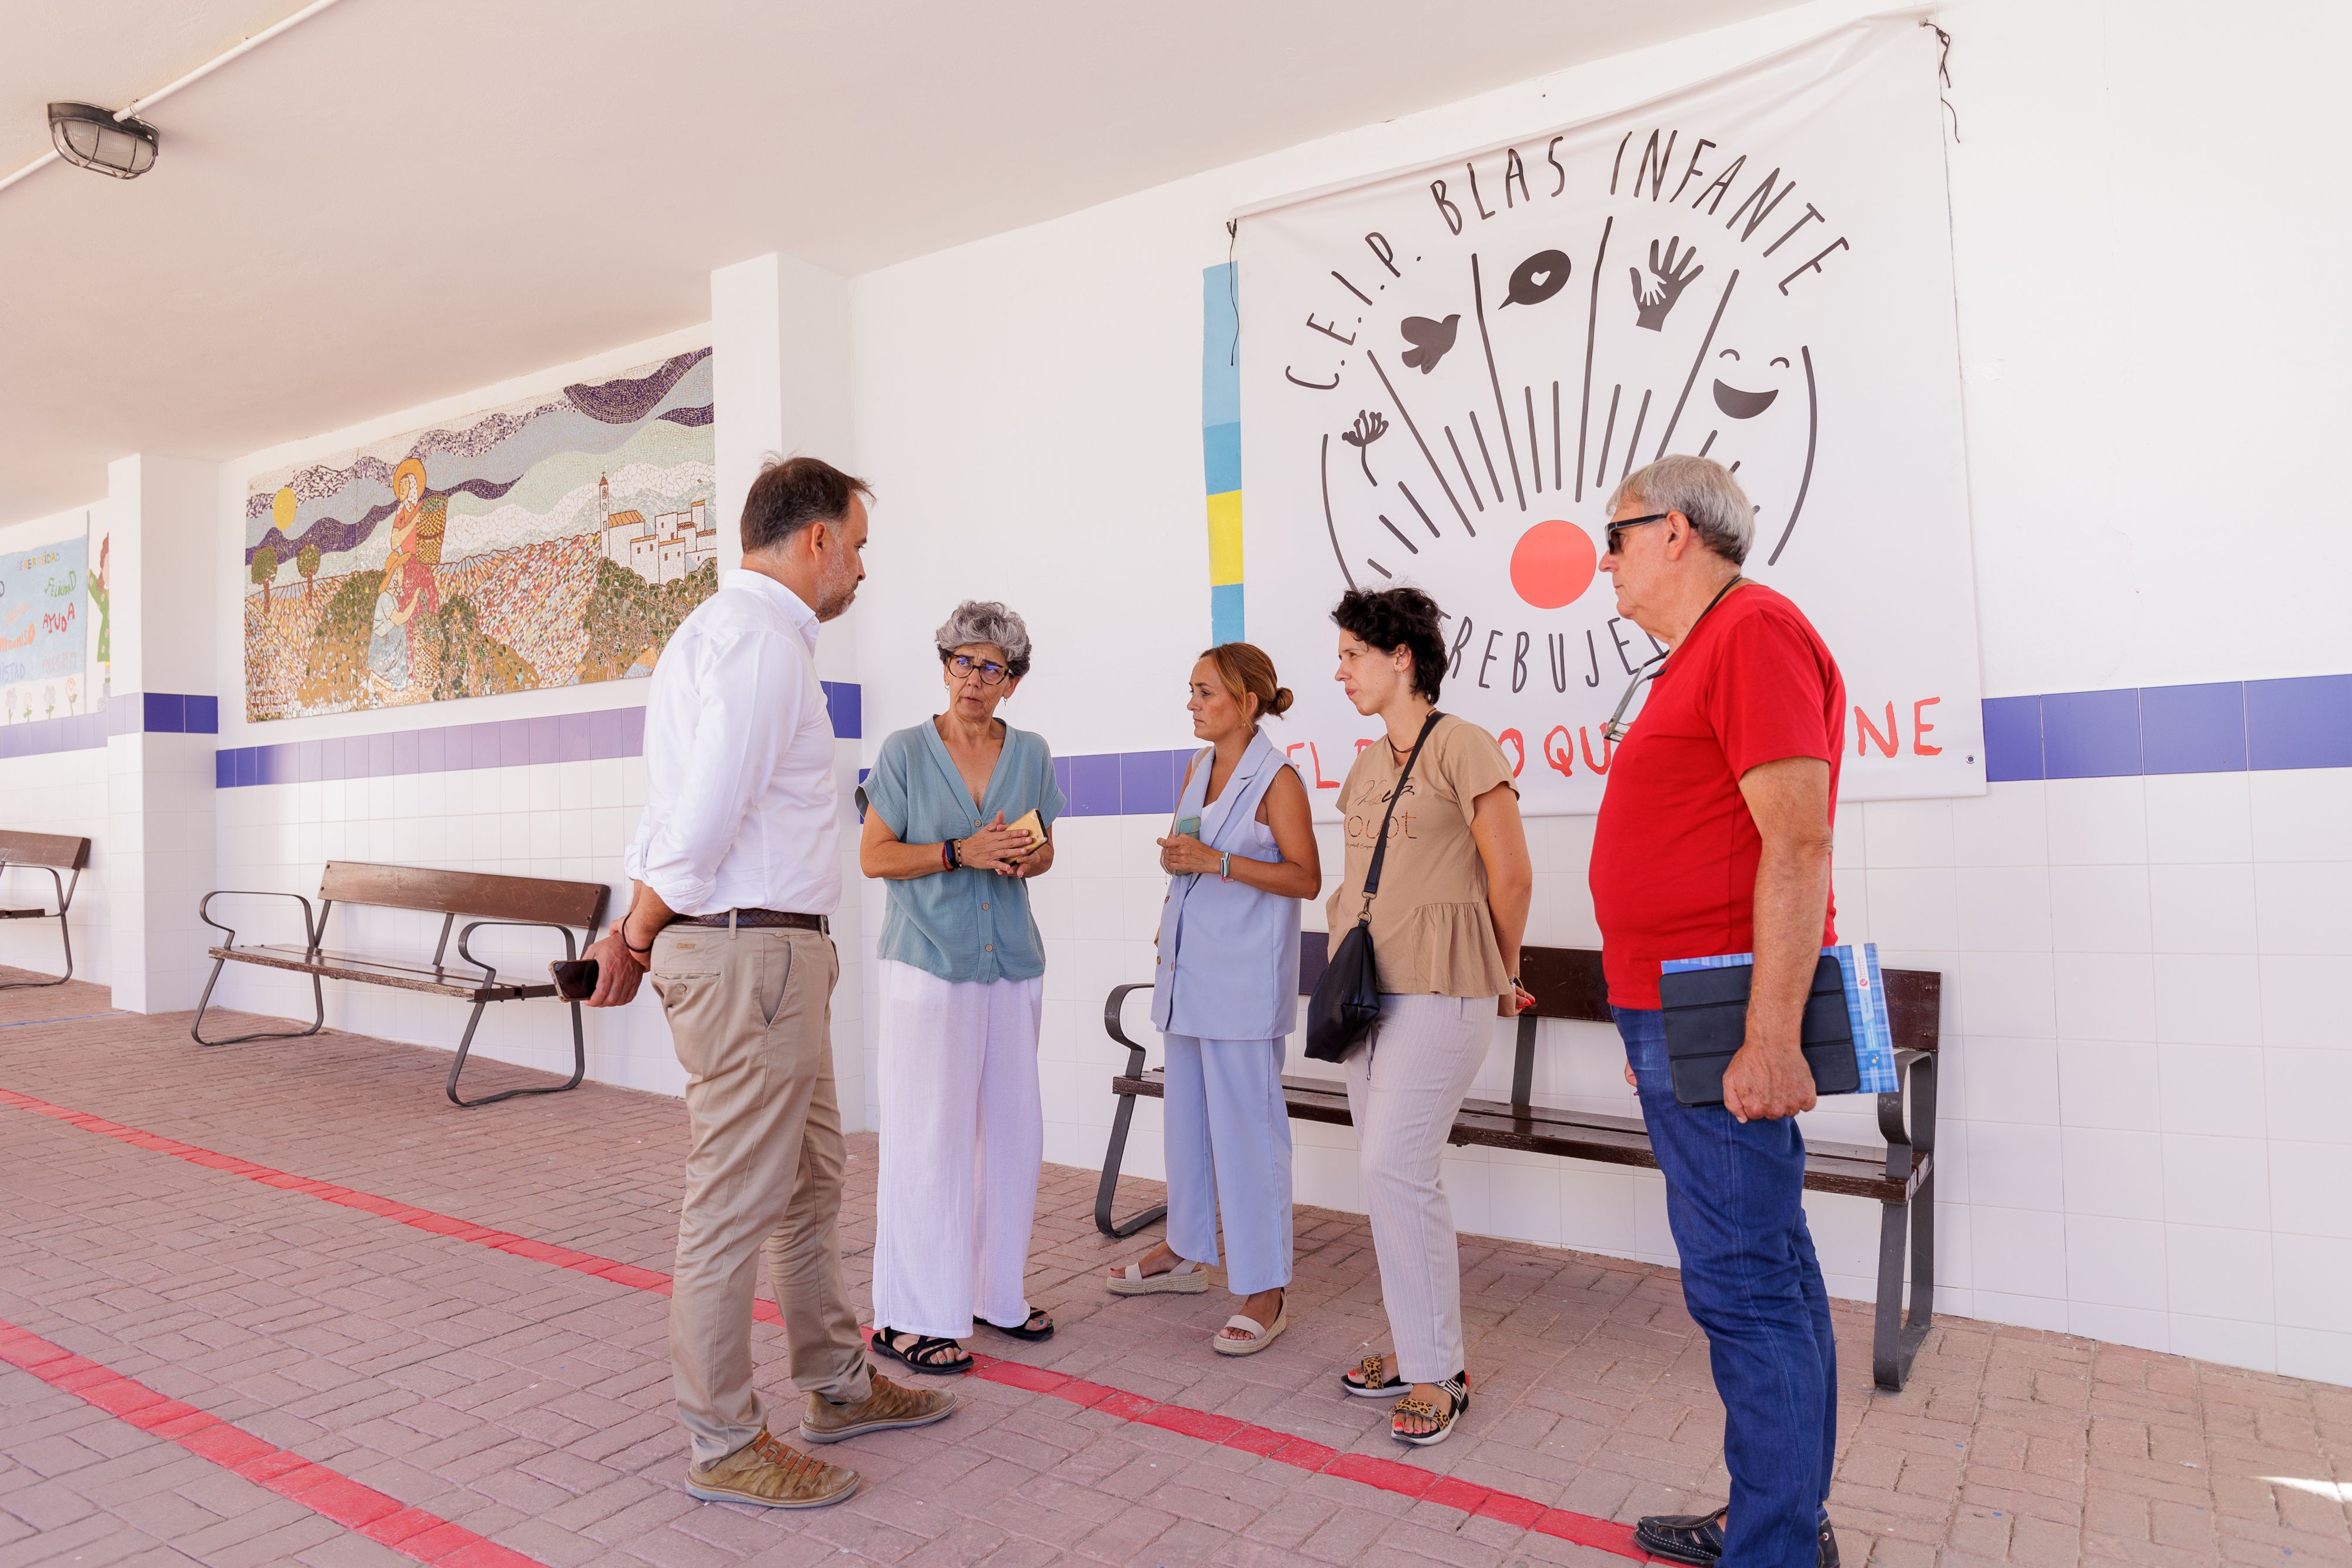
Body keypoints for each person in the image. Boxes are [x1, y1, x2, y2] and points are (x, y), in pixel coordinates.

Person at [582, 457, 956, 1513]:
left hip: (768, 951)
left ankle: (835, 1384)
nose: (864, 569)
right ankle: (724, 1441)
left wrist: (640, 922)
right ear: (816, 542)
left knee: (808, 1180)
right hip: (748, 953)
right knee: (734, 1201)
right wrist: (640, 931)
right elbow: (702, 821)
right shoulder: (759, 646)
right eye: (860, 543)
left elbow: (682, 813)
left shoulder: (729, 636)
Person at [1588, 455, 1845, 1568]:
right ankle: (1776, 1519)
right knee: (1766, 1271)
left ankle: (1777, 1546)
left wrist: (1771, 1034)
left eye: (1616, 535)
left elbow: (1798, 840)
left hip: (1716, 1013)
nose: (1603, 560)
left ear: (1677, 533)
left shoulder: (1752, 633)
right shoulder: (1705, 649)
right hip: (1683, 1007)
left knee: (1746, 1285)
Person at [1324, 587, 1534, 1447]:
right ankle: (1419, 1347)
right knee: (1389, 1176)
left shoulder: (1464, 744)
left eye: (1351, 654)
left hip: (1445, 988)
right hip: (1369, 990)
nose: (1340, 671)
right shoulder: (1369, 761)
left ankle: (1439, 1368)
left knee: (1395, 1165)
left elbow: (1511, 876)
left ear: (1400, 655)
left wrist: (1504, 969)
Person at [860, 601, 1064, 1377]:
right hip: (927, 962)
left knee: (1014, 1133)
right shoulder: (907, 750)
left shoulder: (1033, 752)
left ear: (1011, 682)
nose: (973, 678)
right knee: (928, 1134)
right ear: (944, 664)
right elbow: (875, 856)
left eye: (991, 667)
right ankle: (907, 1316)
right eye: (962, 661)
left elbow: (1045, 850)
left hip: (1012, 959)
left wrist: (1021, 857)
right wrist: (959, 850)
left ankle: (994, 1292)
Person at [1104, 643, 1321, 1353]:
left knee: (1250, 1138)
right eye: (1191, 691)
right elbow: (1188, 858)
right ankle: (1186, 1250)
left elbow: (1304, 879)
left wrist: (1218, 862)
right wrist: (1175, 899)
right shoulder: (1200, 768)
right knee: (1187, 1122)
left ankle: (1267, 1286)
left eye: (1206, 693)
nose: (1192, 704)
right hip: (1189, 975)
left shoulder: (1277, 779)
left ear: (1247, 703)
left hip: (1242, 985)